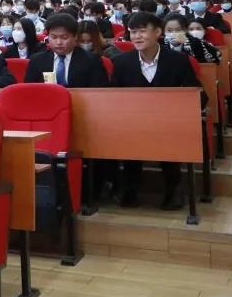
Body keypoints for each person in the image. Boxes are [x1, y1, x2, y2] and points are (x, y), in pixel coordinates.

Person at [112, 12, 202, 209]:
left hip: (169, 122)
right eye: (133, 32)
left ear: (158, 32)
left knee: (168, 133)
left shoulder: (178, 60)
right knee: (126, 133)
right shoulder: (121, 63)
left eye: (142, 31)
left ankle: (173, 189)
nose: (137, 36)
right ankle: (130, 189)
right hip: (133, 122)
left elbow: (198, 96)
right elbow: (113, 99)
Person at [24, 13, 107, 86]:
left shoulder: (92, 60)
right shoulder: (37, 60)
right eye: (54, 37)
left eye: (64, 37)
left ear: (75, 37)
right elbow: (30, 90)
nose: (58, 42)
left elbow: (99, 91)